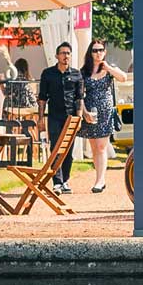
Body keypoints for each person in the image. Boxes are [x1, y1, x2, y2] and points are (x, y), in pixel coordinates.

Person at [77, 43, 132, 194]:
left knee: (102, 146)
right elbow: (80, 93)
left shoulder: (109, 68)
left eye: (100, 50)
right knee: (95, 147)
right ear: (90, 53)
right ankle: (99, 178)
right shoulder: (84, 71)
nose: (98, 53)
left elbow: (123, 77)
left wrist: (108, 67)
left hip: (106, 111)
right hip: (91, 112)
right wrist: (85, 112)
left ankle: (100, 180)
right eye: (95, 50)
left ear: (104, 52)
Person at [37, 42, 84, 191]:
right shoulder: (48, 73)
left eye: (68, 53)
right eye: (63, 53)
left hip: (71, 117)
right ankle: (57, 181)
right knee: (56, 148)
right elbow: (42, 98)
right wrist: (40, 118)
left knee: (69, 150)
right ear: (57, 56)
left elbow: (79, 98)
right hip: (54, 116)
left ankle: (65, 181)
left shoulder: (77, 74)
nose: (65, 56)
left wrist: (80, 117)